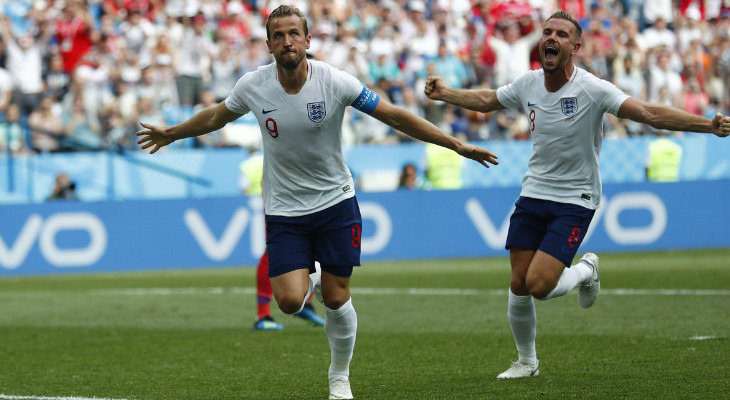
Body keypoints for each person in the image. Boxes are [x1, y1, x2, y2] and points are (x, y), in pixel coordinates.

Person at [137, 5, 499, 399]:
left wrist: (456, 143)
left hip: (335, 203)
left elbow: (394, 116)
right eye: (279, 35)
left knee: (338, 296)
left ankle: (339, 377)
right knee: (290, 302)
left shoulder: (335, 81)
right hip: (285, 209)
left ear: (308, 40)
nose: (287, 41)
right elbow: (215, 117)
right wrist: (172, 133)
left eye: (294, 33)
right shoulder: (253, 86)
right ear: (269, 44)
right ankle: (311, 281)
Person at [424, 10, 730, 380]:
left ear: (575, 47)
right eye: (547, 32)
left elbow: (648, 112)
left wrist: (708, 126)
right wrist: (446, 94)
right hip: (533, 192)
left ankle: (586, 270)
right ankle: (526, 362)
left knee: (539, 285)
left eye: (562, 34)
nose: (551, 38)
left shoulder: (592, 88)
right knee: (518, 283)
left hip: (576, 198)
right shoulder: (528, 83)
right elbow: (489, 99)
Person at [239, 147, 325, 330]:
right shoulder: (280, 138)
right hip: (281, 201)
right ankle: (262, 315)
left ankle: (304, 302)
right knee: (272, 251)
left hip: (307, 198)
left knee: (313, 249)